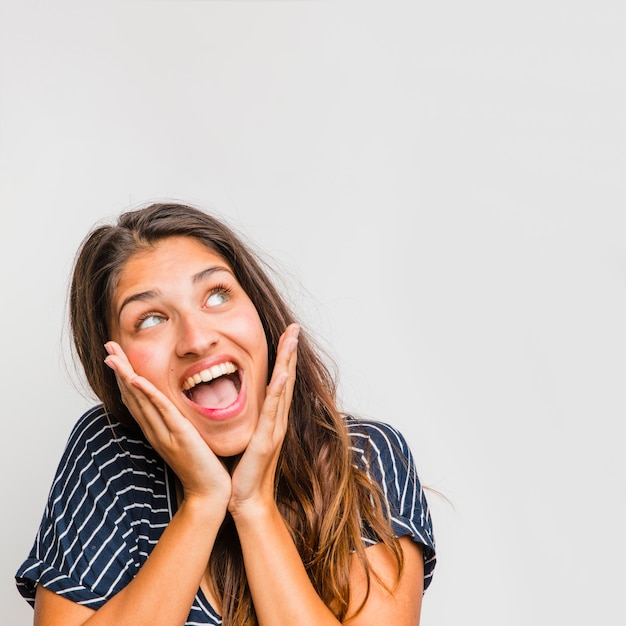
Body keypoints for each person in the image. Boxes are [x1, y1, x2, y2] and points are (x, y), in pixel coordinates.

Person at [15, 202, 436, 626]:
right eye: (150, 319)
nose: (196, 339)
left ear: (260, 312)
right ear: (116, 365)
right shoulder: (108, 453)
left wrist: (254, 507)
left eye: (217, 295)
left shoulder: (365, 457)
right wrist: (202, 501)